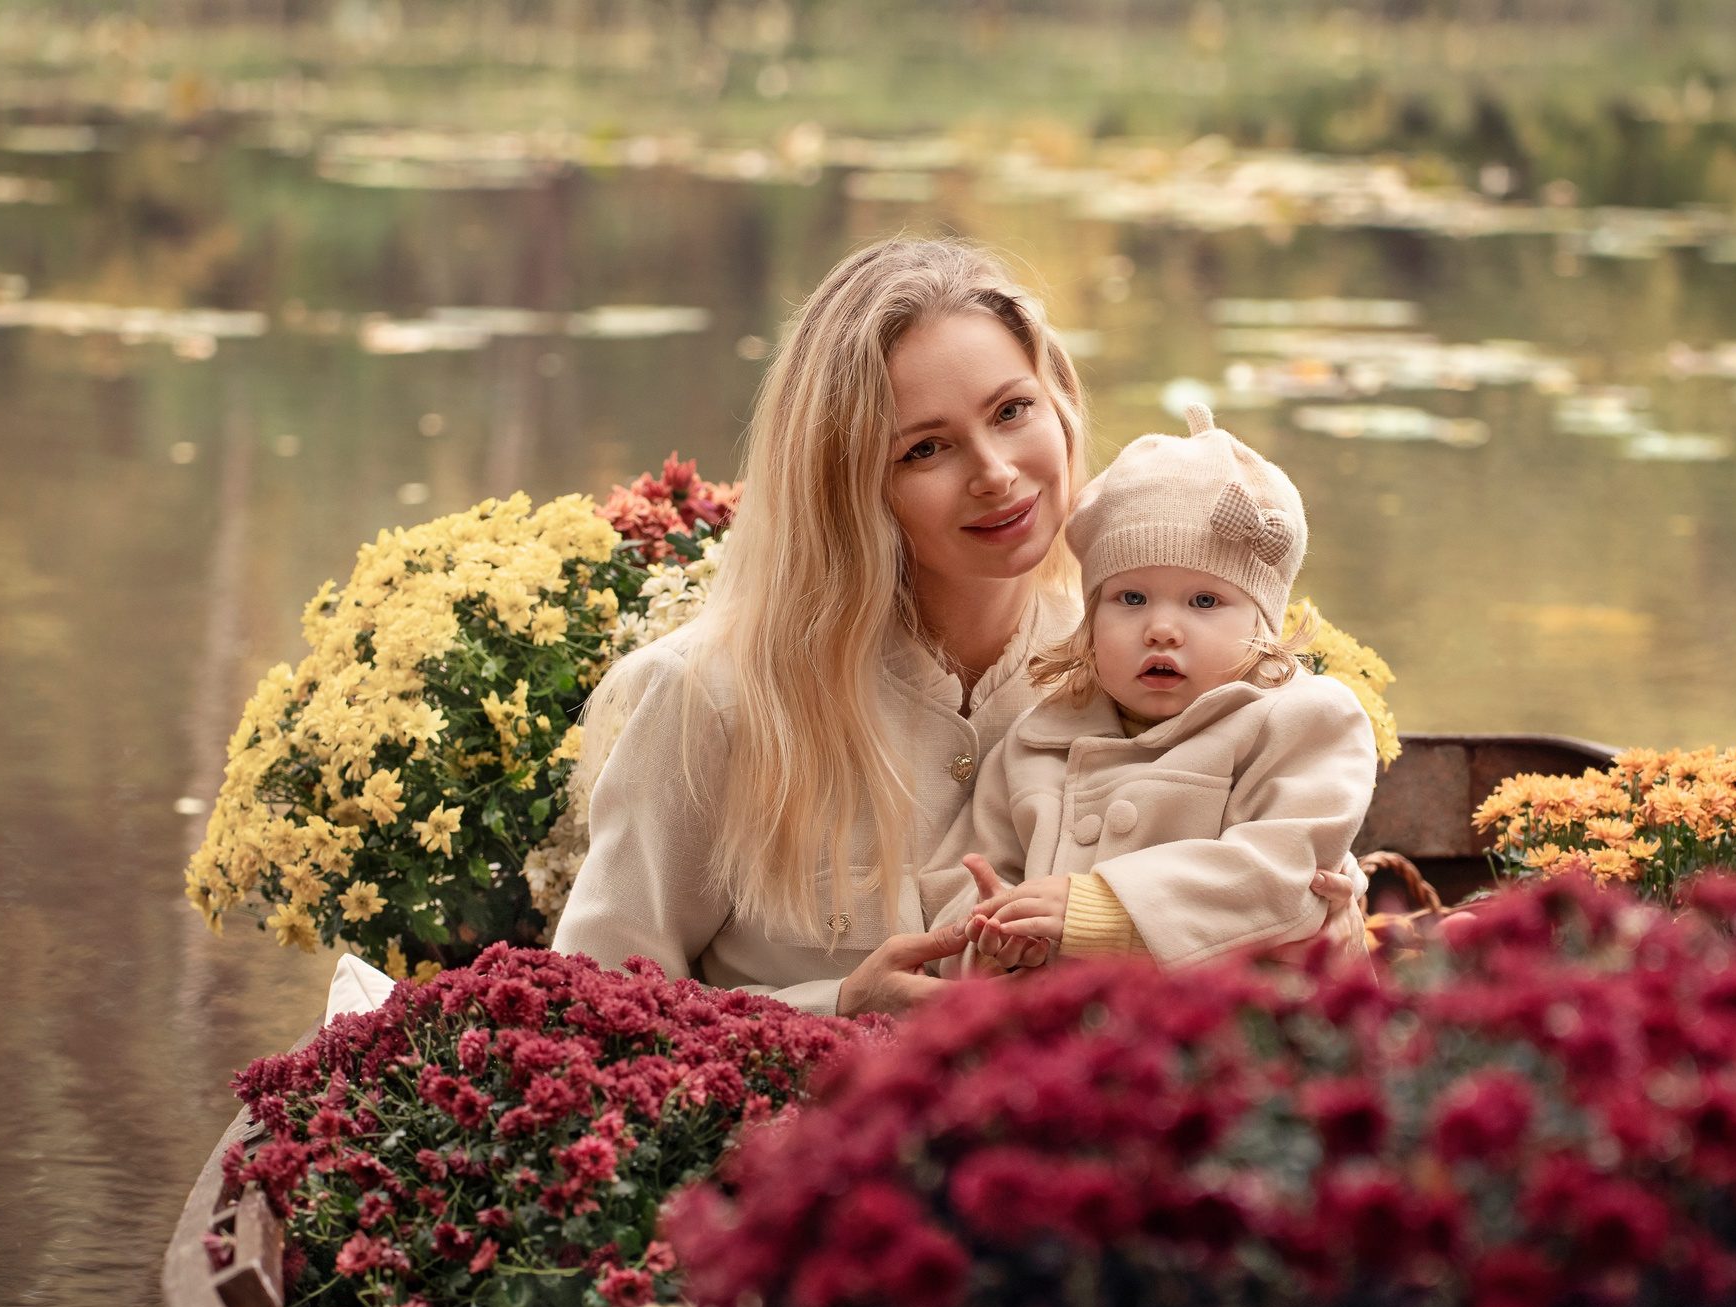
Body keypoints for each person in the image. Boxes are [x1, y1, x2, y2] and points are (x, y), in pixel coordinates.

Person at [553, 238, 1361, 1015]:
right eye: (925, 449)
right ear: (845, 486)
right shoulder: (711, 699)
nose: (996, 473)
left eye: (1012, 409)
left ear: (1060, 403)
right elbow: (587, 1013)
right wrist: (837, 1007)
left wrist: (1323, 936)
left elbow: (1267, 894)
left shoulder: (1154, 655)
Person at [921, 403, 1377, 974]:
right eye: (1131, 598)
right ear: (1090, 619)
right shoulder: (1036, 743)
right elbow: (960, 877)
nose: (1161, 628)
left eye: (1204, 601)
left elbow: (1281, 870)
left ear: (1262, 624)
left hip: (1253, 1018)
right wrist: (991, 933)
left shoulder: (1304, 722)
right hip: (1066, 1021)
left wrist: (1104, 909)